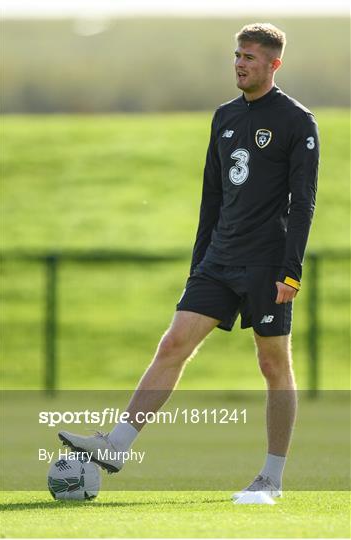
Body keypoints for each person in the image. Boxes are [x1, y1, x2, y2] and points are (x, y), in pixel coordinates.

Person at [59, 22, 319, 498]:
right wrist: (199, 263)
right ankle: (116, 445)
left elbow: (303, 203)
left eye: (251, 58)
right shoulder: (223, 117)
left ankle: (271, 479)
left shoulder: (297, 121)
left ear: (274, 64)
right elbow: (212, 198)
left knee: (272, 363)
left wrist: (291, 270)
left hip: (267, 264)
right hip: (219, 259)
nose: (240, 64)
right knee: (174, 342)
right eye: (237, 56)